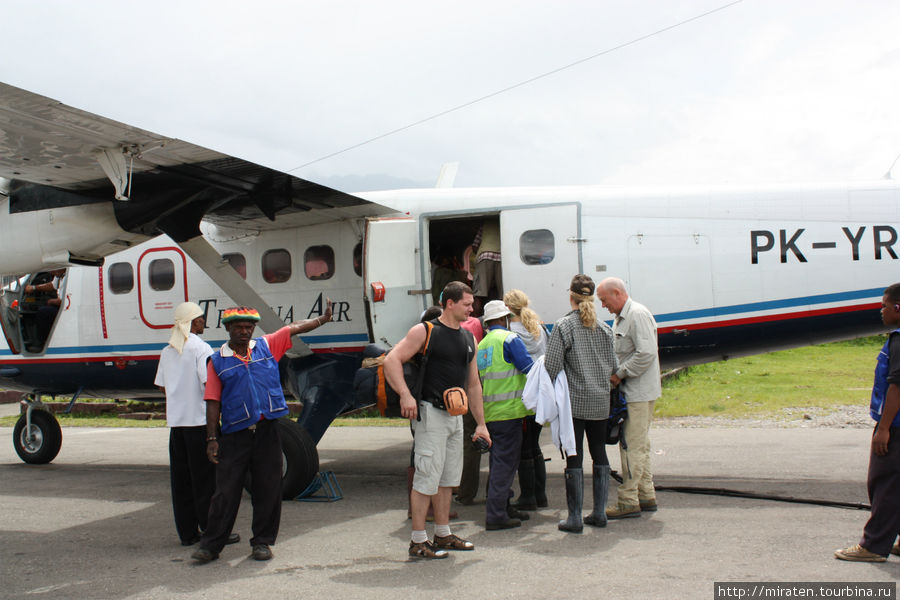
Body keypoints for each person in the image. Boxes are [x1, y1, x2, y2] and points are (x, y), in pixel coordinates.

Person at [191, 301, 333, 563]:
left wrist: (321, 320)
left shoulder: (267, 346)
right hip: (235, 434)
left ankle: (262, 542)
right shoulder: (218, 360)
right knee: (226, 491)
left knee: (269, 488)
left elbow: (292, 328)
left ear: (254, 328)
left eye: (248, 327)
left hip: (268, 431)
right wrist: (212, 438)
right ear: (228, 329)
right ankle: (211, 545)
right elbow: (212, 400)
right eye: (238, 327)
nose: (244, 332)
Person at [384, 281, 492, 559]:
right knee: (426, 477)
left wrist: (480, 424)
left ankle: (442, 534)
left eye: (472, 304)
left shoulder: (469, 339)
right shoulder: (426, 331)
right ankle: (418, 541)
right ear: (450, 303)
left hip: (456, 417)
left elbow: (474, 385)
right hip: (430, 414)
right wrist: (406, 396)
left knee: (447, 479)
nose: (472, 308)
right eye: (467, 304)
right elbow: (392, 360)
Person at [154, 302, 236, 547]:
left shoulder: (168, 350)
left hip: (177, 426)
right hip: (201, 424)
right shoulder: (201, 349)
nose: (203, 322)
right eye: (200, 319)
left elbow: (162, 385)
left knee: (182, 482)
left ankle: (187, 533)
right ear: (191, 322)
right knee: (208, 482)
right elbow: (208, 383)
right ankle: (212, 530)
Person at [544, 274, 617, 533]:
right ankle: (599, 513)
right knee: (600, 452)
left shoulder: (564, 326)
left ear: (571, 296)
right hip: (600, 401)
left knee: (574, 457)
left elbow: (551, 366)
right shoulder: (606, 329)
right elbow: (614, 367)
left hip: (573, 404)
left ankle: (574, 517)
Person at [834, 284, 900, 562]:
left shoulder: (899, 340)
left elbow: (897, 385)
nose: (880, 310)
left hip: (896, 426)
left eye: (885, 305)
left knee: (884, 483)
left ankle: (873, 547)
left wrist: (884, 428)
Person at [597, 277, 662, 519]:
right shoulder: (624, 317)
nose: (603, 305)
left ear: (616, 293)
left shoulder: (637, 315)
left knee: (631, 446)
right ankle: (645, 494)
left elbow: (646, 353)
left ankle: (628, 500)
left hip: (638, 393)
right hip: (633, 392)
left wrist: (619, 375)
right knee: (638, 444)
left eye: (604, 300)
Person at [476, 300, 534, 530]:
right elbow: (528, 367)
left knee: (498, 461)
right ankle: (497, 514)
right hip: (510, 411)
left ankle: (504, 506)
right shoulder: (509, 339)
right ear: (505, 319)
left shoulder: (483, 344)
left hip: (491, 413)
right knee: (505, 464)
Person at [504, 289, 550, 511]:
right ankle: (540, 494)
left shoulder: (509, 332)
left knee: (524, 447)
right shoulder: (539, 329)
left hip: (522, 394)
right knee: (535, 445)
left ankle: (528, 496)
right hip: (540, 393)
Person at [455, 312, 486, 506]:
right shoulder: (476, 326)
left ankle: (465, 493)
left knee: (469, 444)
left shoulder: (457, 331)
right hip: (487, 393)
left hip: (465, 393)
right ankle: (497, 494)